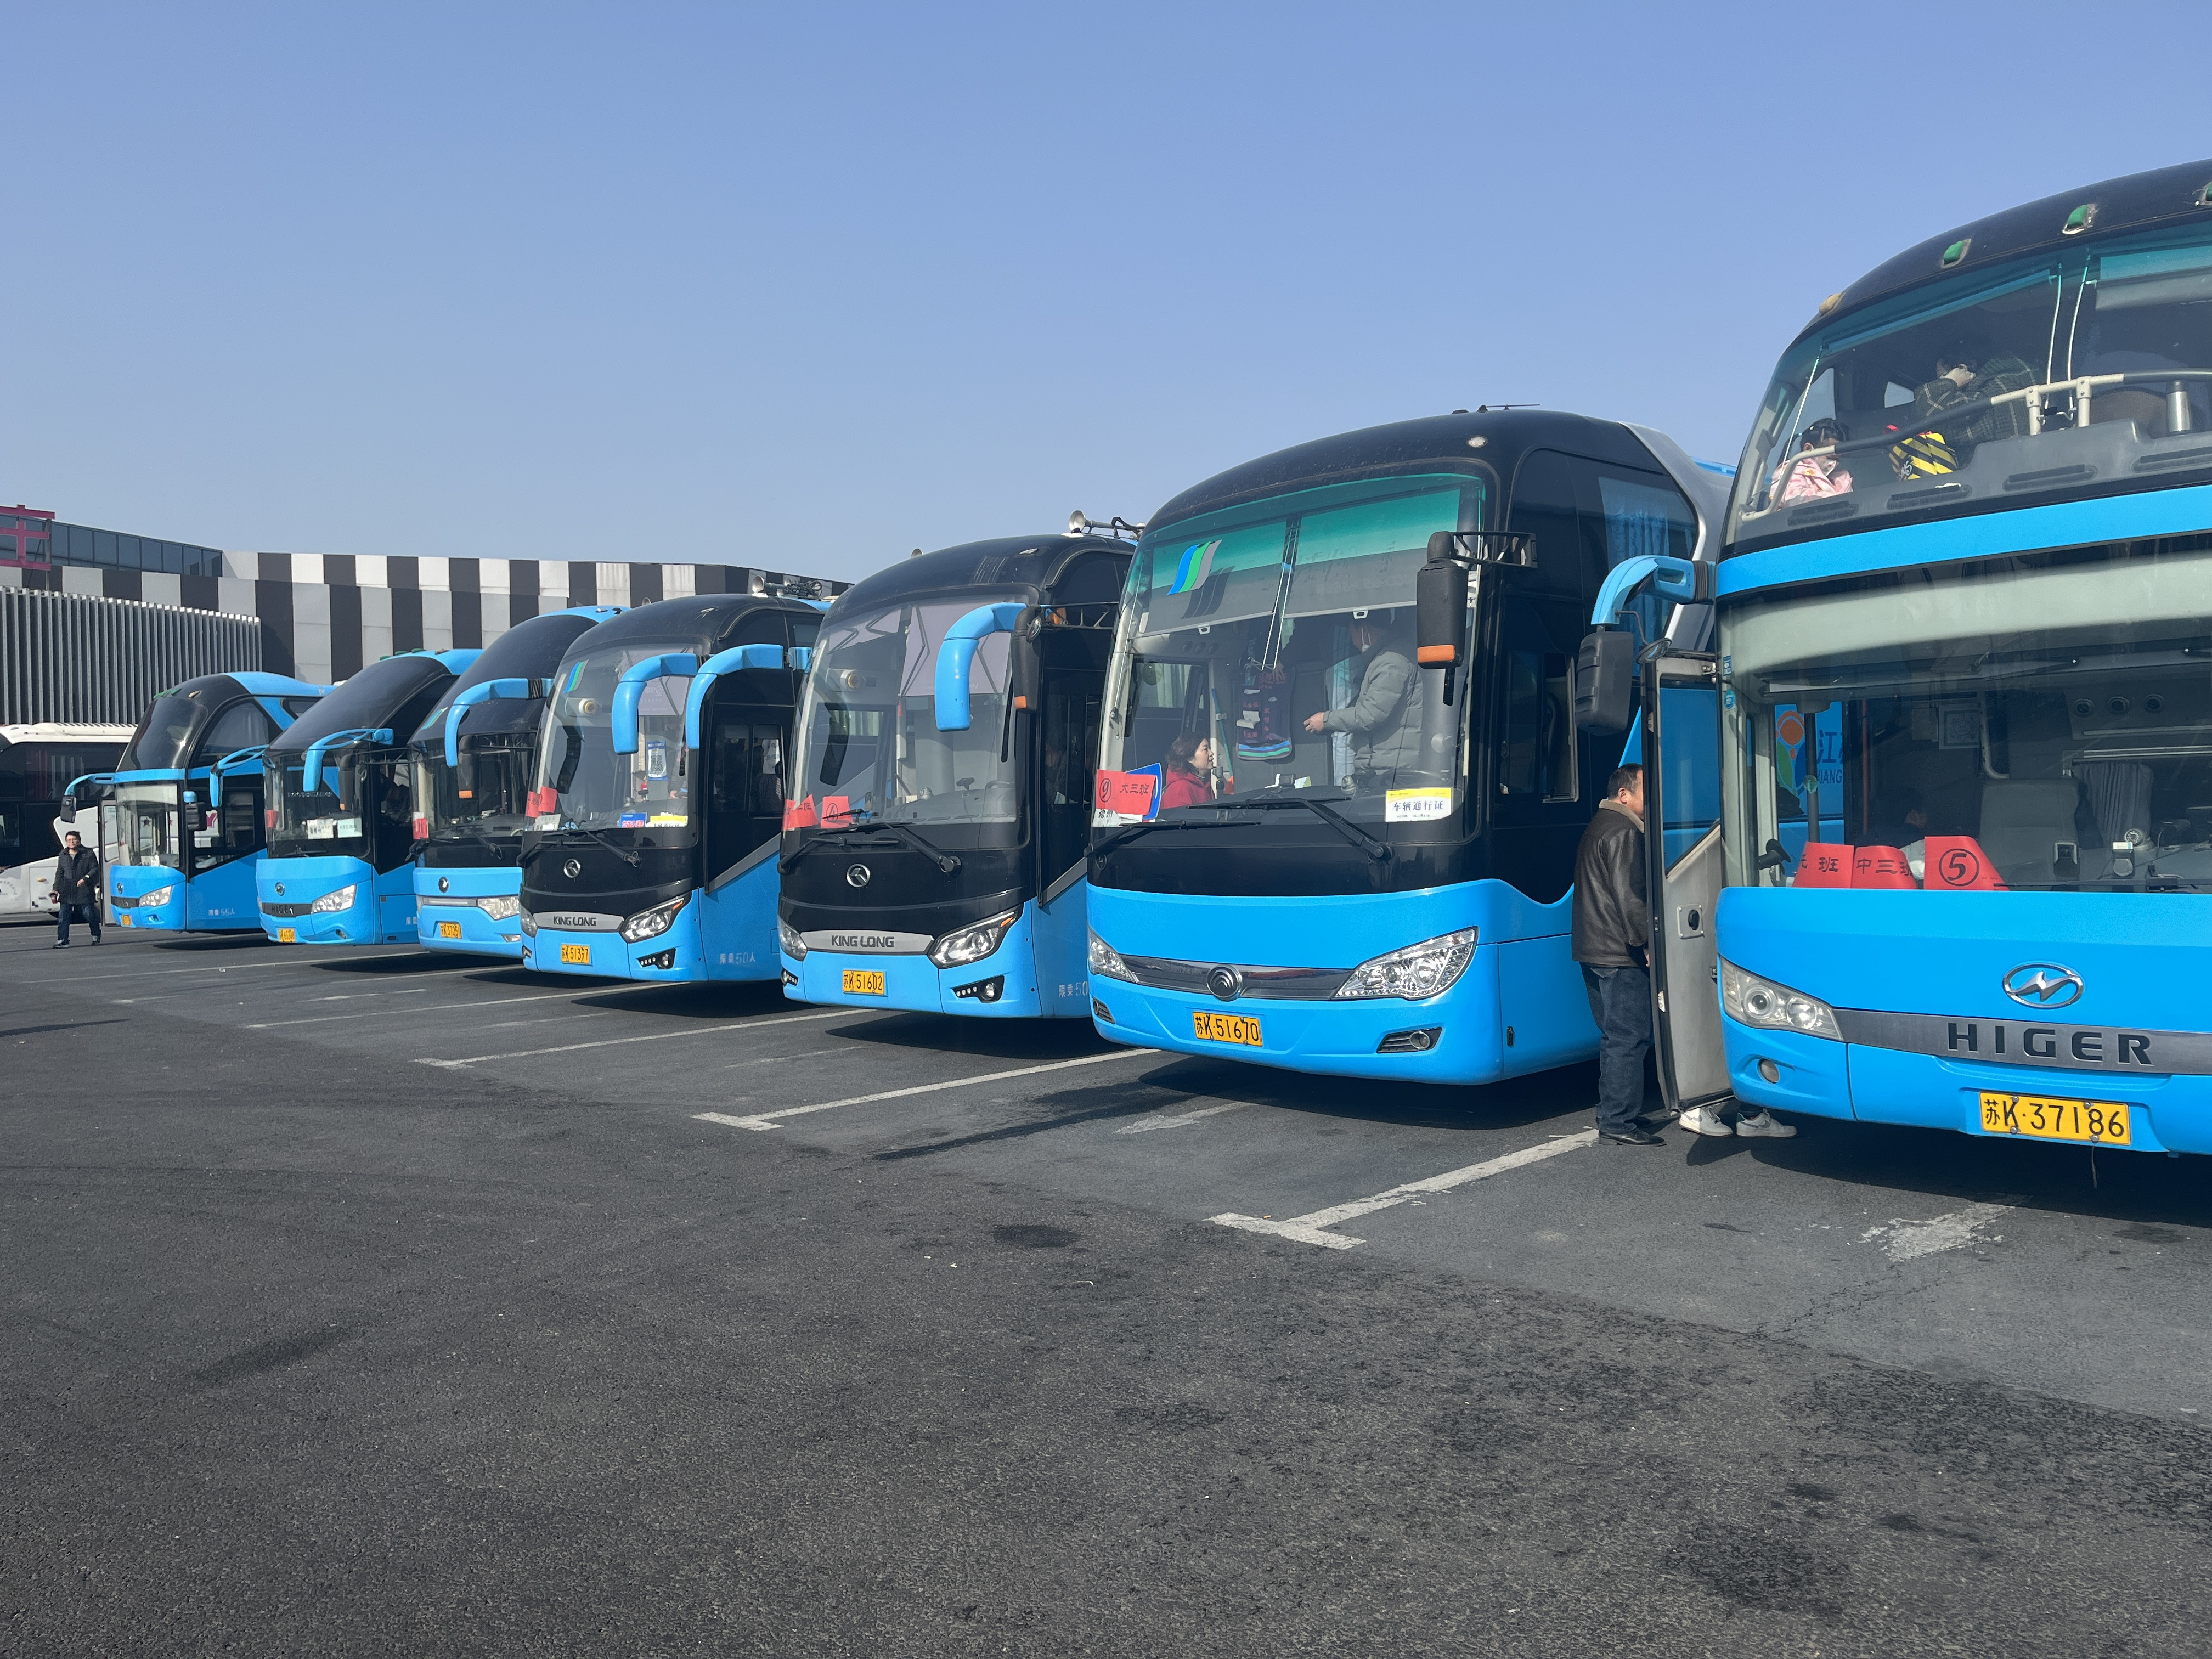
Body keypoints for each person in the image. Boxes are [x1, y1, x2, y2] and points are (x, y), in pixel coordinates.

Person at [1571, 766, 1795, 1143]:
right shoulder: (1624, 831)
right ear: (1624, 795)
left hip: (1594, 948)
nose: (1656, 798)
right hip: (1618, 953)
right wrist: (1647, 943)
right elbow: (1630, 898)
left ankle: (1615, 1113)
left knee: (1615, 1035)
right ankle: (1617, 1123)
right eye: (1647, 790)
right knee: (1628, 1037)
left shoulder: (1600, 825)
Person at [1301, 613, 1418, 788]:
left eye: (1352, 634)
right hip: (1384, 764)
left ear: (1364, 630)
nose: (1354, 643)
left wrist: (1326, 720)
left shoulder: (1391, 662)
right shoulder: (1384, 658)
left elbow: (1371, 714)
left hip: (1389, 770)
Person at [1889, 340, 2036, 477]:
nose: (1943, 381)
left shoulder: (1996, 388)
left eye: (1944, 376)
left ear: (1962, 368)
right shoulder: (2000, 384)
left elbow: (1929, 413)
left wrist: (1951, 382)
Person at [1770, 417, 1853, 503]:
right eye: (1830, 458)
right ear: (1808, 449)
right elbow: (1792, 499)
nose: (1835, 463)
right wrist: (1834, 499)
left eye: (1838, 459)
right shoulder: (1790, 471)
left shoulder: (1842, 479)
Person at [51, 830, 103, 949]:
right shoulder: (63, 855)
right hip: (67, 891)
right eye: (69, 840)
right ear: (66, 842)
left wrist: (86, 879)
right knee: (64, 916)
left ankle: (96, 934)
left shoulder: (88, 853)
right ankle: (63, 940)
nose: (72, 842)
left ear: (79, 840)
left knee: (89, 914)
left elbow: (95, 869)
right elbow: (59, 873)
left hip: (84, 890)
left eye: (74, 840)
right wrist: (55, 889)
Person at [1160, 733, 1215, 810]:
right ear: (1190, 758)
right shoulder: (1180, 788)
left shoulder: (1205, 784)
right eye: (1206, 750)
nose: (1211, 753)